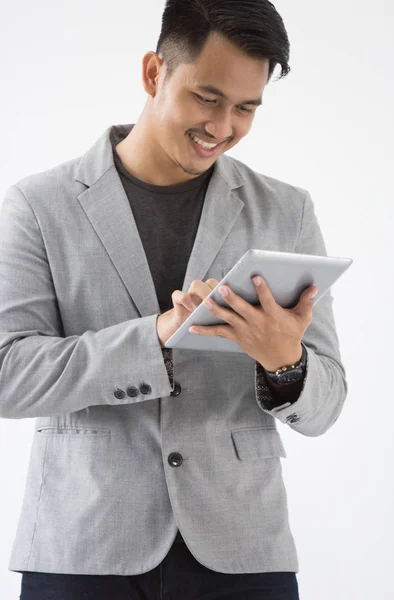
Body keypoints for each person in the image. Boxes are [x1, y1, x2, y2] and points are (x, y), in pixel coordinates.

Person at [0, 1, 348, 598]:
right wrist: (153, 337)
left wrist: (285, 360)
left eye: (246, 108)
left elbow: (327, 404)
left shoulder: (286, 211)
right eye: (207, 98)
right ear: (153, 72)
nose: (223, 127)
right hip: (84, 545)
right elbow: (8, 375)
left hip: (242, 546)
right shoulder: (39, 204)